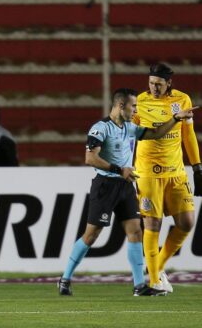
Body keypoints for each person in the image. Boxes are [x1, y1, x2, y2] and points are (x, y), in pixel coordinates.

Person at [57, 88, 197, 296]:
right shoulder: (100, 128)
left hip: (125, 185)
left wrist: (175, 118)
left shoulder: (130, 127)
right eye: (133, 106)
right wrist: (118, 169)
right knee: (91, 235)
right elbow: (90, 159)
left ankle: (139, 285)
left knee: (136, 232)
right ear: (121, 106)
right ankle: (65, 278)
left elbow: (156, 133)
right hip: (105, 185)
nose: (136, 111)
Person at [134, 63, 202, 293]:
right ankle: (154, 281)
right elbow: (128, 136)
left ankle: (157, 267)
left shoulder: (183, 100)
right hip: (147, 172)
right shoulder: (139, 103)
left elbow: (188, 135)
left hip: (175, 172)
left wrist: (197, 166)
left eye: (159, 84)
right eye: (151, 83)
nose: (154, 88)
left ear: (169, 83)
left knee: (187, 223)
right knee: (152, 223)